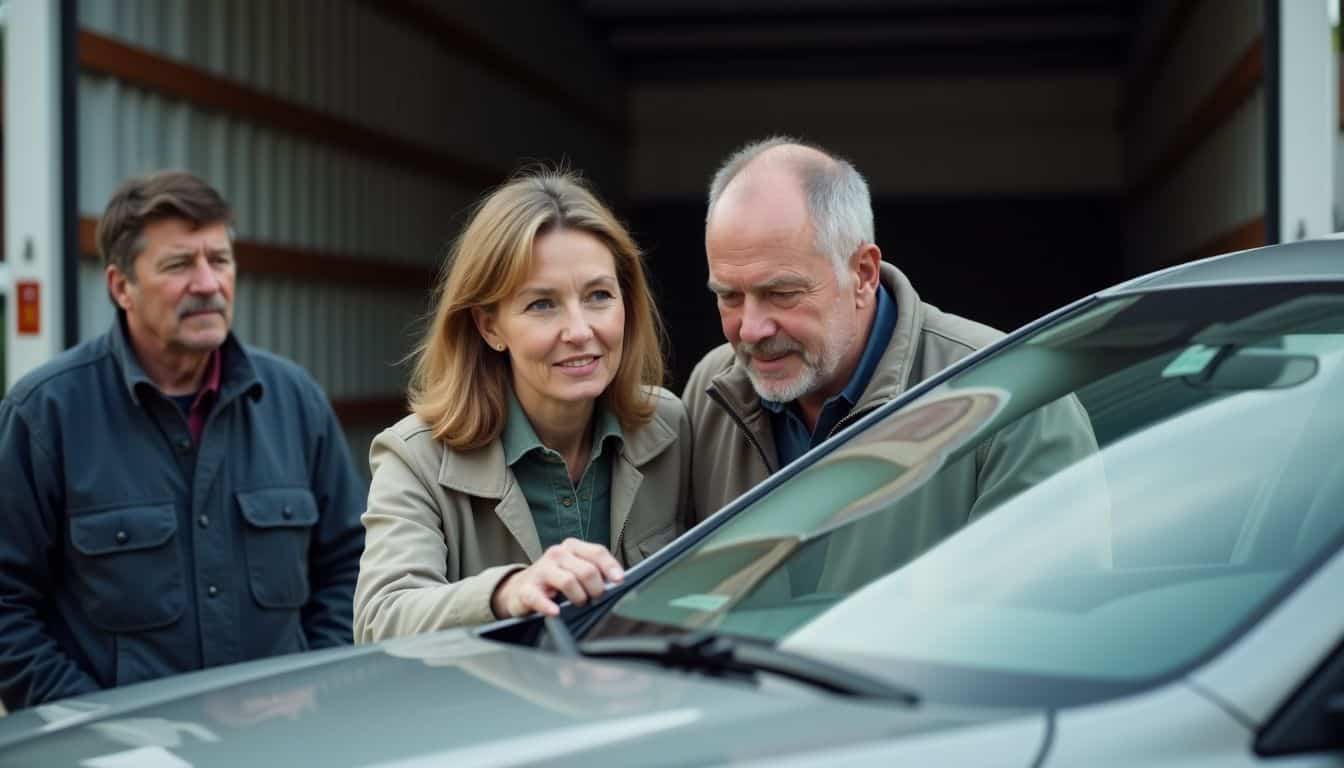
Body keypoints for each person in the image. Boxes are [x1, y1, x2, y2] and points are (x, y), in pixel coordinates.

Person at [0, 171, 366, 711]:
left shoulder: (294, 401)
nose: (207, 283)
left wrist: (310, 680)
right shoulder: (46, 414)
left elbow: (352, 565)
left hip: (283, 744)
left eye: (219, 260)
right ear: (121, 286)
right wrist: (94, 724)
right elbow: (7, 607)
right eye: (178, 264)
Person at [684, 137, 1097, 539]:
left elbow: (1056, 599)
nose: (752, 329)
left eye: (782, 294)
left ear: (863, 273)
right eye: (729, 296)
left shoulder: (1018, 396)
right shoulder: (710, 391)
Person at [354, 170, 691, 642]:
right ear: (490, 327)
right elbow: (380, 619)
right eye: (542, 305)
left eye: (598, 296)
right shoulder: (416, 458)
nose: (578, 330)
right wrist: (506, 592)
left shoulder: (672, 427)